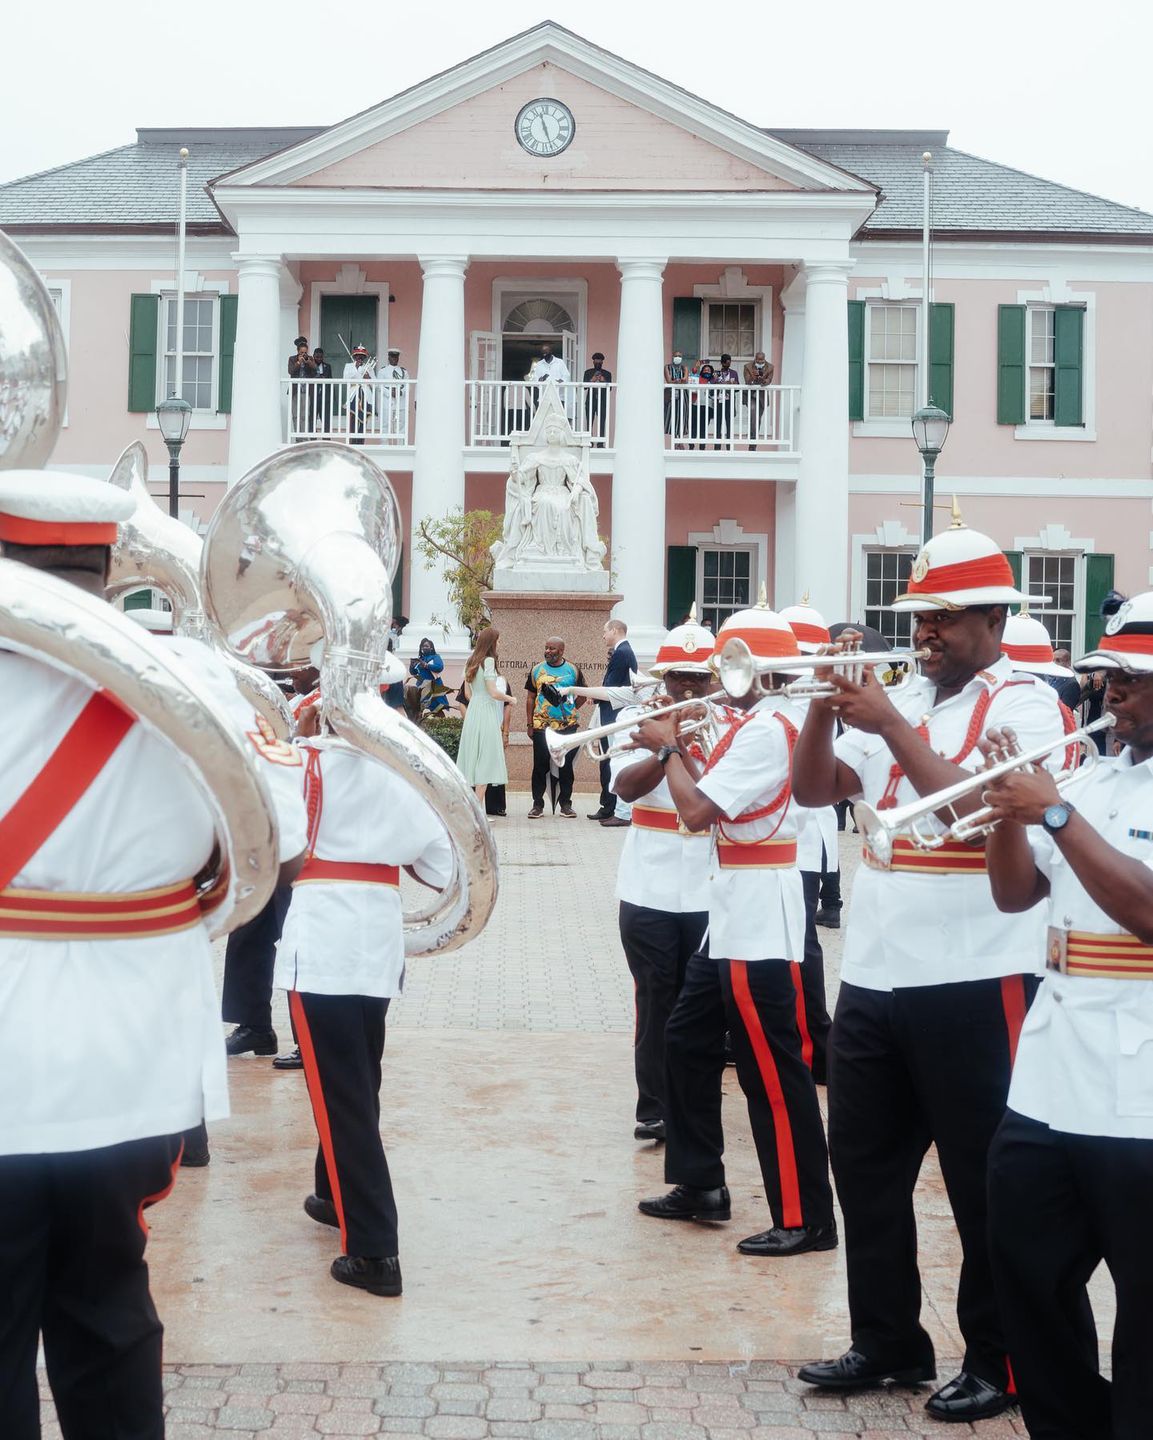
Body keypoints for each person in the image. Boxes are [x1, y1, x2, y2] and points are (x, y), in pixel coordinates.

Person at [0, 472, 306, 1439]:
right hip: (132, 1053)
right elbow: (281, 843)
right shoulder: (205, 679)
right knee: (108, 1307)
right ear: (106, 565)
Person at [793, 520, 1067, 1424]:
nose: (923, 634)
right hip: (874, 971)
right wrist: (826, 708)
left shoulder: (1026, 703)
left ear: (991, 617)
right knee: (863, 1167)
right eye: (916, 616)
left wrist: (889, 721)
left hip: (977, 970)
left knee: (981, 1180)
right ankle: (886, 1340)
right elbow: (815, 790)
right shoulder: (902, 697)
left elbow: (974, 811)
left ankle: (998, 1358)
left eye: (942, 619)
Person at [979, 594, 1153, 1440]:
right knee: (1027, 1276)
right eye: (1109, 674)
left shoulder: (1072, 793)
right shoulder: (1088, 771)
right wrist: (1001, 809)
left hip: (1141, 1087)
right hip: (1050, 1076)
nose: (1112, 692)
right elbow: (1015, 893)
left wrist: (1050, 810)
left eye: (1132, 679)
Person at [635, 601, 837, 1258]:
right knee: (685, 1039)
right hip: (731, 903)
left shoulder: (765, 729)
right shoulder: (755, 723)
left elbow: (694, 813)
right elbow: (709, 800)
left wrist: (668, 746)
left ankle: (804, 1215)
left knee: (769, 1071)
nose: (719, 677)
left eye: (729, 664)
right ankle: (699, 1182)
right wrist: (685, 746)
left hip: (756, 908)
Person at [278, 694, 452, 1297]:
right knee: (358, 1079)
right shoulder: (401, 773)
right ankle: (333, 1194)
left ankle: (374, 1251)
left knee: (342, 1096)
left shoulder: (297, 762)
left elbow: (267, 845)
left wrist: (291, 743)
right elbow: (440, 868)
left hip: (322, 936)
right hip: (376, 938)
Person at [610, 614, 717, 1142]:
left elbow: (713, 799)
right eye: (679, 677)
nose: (690, 687)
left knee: (699, 1003)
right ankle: (653, 1105)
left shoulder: (728, 728)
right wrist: (662, 746)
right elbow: (625, 789)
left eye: (700, 678)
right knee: (654, 998)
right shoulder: (640, 720)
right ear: (664, 678)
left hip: (708, 885)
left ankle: (693, 1099)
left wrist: (680, 747)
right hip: (647, 885)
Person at [780, 599, 838, 1084]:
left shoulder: (805, 704)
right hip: (786, 841)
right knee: (793, 945)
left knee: (801, 946)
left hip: (798, 840)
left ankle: (816, 1045)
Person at [525, 636, 586, 819]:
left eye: (552, 649)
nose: (548, 651)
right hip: (541, 727)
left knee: (566, 767)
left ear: (561, 651)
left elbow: (581, 694)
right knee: (540, 766)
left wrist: (569, 710)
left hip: (567, 727)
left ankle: (566, 805)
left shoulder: (573, 670)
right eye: (546, 648)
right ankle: (537, 804)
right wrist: (529, 723)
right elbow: (530, 698)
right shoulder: (537, 669)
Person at [589, 618, 637, 826]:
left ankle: (619, 811)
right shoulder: (624, 651)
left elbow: (612, 686)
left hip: (615, 714)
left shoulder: (621, 652)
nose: (603, 635)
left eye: (605, 631)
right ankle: (611, 807)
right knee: (609, 762)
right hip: (613, 712)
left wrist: (597, 695)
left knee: (614, 761)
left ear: (616, 631)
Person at [456, 626, 514, 797]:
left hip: (474, 711)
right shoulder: (488, 661)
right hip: (486, 712)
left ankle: (475, 808)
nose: (500, 642)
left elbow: (467, 693)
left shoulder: (470, 661)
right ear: (492, 642)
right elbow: (493, 692)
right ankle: (477, 809)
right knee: (486, 760)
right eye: (498, 639)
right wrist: (511, 699)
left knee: (472, 757)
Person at [1002, 610, 1082, 710]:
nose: (1055, 663)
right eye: (1053, 660)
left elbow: (1063, 712)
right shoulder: (1044, 679)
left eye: (1058, 660)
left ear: (1068, 662)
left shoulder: (1069, 684)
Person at [343, 343, 375, 445]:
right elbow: (345, 379)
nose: (359, 359)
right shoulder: (348, 366)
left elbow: (375, 384)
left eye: (362, 357)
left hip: (365, 396)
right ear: (354, 357)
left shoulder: (368, 367)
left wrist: (368, 378)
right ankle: (352, 443)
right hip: (354, 395)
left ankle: (361, 443)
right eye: (358, 357)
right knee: (352, 420)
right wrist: (356, 370)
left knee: (363, 420)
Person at [408, 637, 449, 715]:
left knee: (436, 709)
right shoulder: (421, 658)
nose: (424, 648)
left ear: (431, 648)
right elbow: (413, 672)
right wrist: (411, 665)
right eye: (423, 646)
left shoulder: (435, 657)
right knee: (419, 708)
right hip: (422, 687)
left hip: (433, 687)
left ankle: (439, 724)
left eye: (426, 646)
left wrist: (426, 665)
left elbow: (439, 667)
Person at [743, 351, 774, 450]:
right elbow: (747, 380)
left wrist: (762, 380)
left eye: (762, 360)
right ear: (755, 358)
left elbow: (769, 381)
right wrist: (754, 376)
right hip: (751, 395)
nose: (760, 362)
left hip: (761, 396)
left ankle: (753, 442)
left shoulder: (770, 367)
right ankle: (752, 440)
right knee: (753, 413)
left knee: (757, 419)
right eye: (758, 360)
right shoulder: (747, 366)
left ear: (764, 359)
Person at [378, 347, 410, 443]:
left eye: (396, 357)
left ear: (398, 358)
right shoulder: (382, 371)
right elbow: (380, 386)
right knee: (385, 425)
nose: (394, 359)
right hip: (387, 402)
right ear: (389, 357)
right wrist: (389, 393)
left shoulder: (404, 372)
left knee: (401, 425)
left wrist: (401, 392)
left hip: (400, 402)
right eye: (392, 356)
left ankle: (401, 445)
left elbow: (407, 386)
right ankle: (384, 445)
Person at [288, 336, 317, 438]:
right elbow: (290, 371)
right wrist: (298, 362)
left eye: (305, 352)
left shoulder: (310, 359)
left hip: (306, 391)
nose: (303, 354)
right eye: (301, 353)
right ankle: (298, 437)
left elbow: (315, 369)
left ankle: (304, 437)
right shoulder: (292, 359)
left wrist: (308, 362)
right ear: (298, 351)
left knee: (305, 415)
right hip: (295, 391)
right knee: (296, 415)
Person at [582, 352, 612, 445]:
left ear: (602, 362)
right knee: (589, 423)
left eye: (599, 360)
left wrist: (603, 380)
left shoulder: (607, 373)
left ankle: (600, 443)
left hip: (602, 402)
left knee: (602, 423)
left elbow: (610, 388)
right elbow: (584, 387)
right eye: (596, 360)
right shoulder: (588, 372)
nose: (598, 362)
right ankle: (589, 443)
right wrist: (592, 380)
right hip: (590, 401)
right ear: (593, 361)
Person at [712, 353, 740, 449]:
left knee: (729, 424)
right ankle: (717, 447)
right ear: (722, 363)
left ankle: (729, 447)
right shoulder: (716, 373)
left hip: (729, 401)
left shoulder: (734, 373)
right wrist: (716, 380)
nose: (728, 365)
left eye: (729, 363)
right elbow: (712, 386)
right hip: (718, 401)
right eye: (725, 363)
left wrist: (733, 384)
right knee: (718, 424)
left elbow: (737, 387)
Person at [664, 349, 691, 449]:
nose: (678, 358)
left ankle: (680, 440)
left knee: (682, 416)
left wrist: (678, 381)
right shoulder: (667, 367)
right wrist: (676, 381)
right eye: (676, 356)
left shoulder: (684, 368)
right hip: (671, 395)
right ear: (672, 357)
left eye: (679, 356)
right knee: (672, 416)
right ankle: (675, 440)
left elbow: (685, 379)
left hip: (683, 395)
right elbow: (669, 381)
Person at [313, 347, 334, 434]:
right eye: (317, 357)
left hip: (325, 398)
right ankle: (312, 439)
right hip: (313, 397)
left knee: (326, 420)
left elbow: (330, 381)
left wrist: (331, 397)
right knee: (312, 420)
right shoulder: (310, 365)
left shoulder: (327, 366)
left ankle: (326, 439)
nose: (319, 359)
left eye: (321, 357)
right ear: (313, 356)